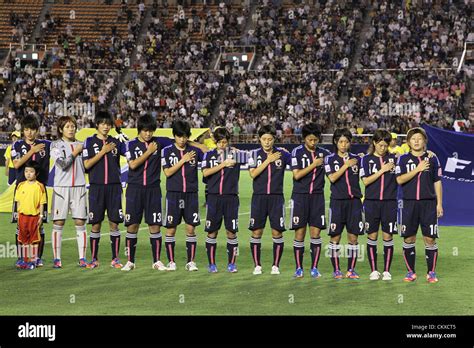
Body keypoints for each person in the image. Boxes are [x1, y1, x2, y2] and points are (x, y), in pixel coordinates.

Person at [120, 114, 169, 272]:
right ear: (139, 130)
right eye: (145, 131)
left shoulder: (159, 142)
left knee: (155, 225)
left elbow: (180, 140)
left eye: (150, 131)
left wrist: (200, 146)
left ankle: (157, 261)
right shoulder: (130, 145)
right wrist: (148, 152)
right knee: (132, 225)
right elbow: (133, 165)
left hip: (153, 190)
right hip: (135, 189)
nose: (148, 134)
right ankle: (130, 261)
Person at [396, 127, 443, 283]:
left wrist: (439, 204)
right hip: (408, 204)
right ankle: (411, 272)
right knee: (409, 238)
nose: (416, 141)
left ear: (424, 141)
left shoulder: (433, 158)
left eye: (419, 138)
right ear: (408, 142)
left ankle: (431, 273)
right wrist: (418, 168)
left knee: (430, 239)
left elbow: (437, 182)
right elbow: (400, 180)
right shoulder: (402, 159)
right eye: (413, 139)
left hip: (428, 204)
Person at [162, 120, 207, 271]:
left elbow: (206, 150)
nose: (182, 139)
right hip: (173, 194)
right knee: (171, 229)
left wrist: (193, 143)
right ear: (174, 136)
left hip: (191, 194)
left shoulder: (194, 151)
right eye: (179, 136)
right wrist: (183, 160)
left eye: (185, 136)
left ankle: (191, 262)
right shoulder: (167, 151)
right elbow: (167, 172)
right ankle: (171, 262)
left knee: (190, 229)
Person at [83, 111, 126, 269]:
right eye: (102, 124)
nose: (106, 127)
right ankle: (94, 259)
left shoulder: (116, 142)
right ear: (97, 125)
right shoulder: (89, 142)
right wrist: (103, 151)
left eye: (108, 124)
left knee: (114, 223)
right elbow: (86, 165)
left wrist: (125, 139)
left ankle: (115, 259)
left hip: (114, 187)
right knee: (96, 224)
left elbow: (130, 155)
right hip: (96, 188)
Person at [247, 125, 291, 275]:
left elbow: (297, 163)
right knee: (256, 232)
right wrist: (268, 160)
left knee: (277, 232)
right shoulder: (253, 154)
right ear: (259, 139)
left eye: (270, 139)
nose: (267, 142)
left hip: (276, 198)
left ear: (274, 139)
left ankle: (275, 266)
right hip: (258, 198)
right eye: (264, 139)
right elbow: (253, 174)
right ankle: (257, 265)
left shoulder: (283, 154)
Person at [201, 127, 246, 273]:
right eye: (219, 142)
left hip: (231, 198)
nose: (222, 145)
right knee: (212, 231)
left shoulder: (236, 154)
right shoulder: (209, 155)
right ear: (215, 141)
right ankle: (212, 264)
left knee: (231, 232)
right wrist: (223, 164)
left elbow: (254, 158)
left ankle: (232, 264)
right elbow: (206, 173)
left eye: (225, 142)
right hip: (213, 198)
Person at [289, 123, 330, 278]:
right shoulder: (297, 152)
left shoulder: (325, 153)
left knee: (316, 234)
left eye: (315, 140)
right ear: (304, 138)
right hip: (300, 196)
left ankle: (314, 268)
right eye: (310, 139)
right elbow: (297, 175)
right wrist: (314, 165)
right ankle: (299, 268)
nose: (313, 142)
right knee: (299, 233)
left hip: (318, 198)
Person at [324, 128, 364, 279]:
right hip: (337, 202)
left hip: (354, 202)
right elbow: (332, 178)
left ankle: (351, 270)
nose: (343, 144)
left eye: (346, 142)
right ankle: (336, 270)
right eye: (341, 141)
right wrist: (346, 165)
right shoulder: (330, 159)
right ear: (335, 142)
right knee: (335, 237)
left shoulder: (357, 159)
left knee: (353, 238)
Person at [11, 115, 51, 268]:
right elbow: (16, 164)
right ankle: (21, 258)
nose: (29, 133)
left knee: (39, 225)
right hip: (22, 192)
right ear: (23, 131)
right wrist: (32, 150)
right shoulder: (17, 145)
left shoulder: (46, 145)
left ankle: (37, 258)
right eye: (26, 130)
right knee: (20, 226)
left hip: (39, 192)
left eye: (32, 129)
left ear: (37, 130)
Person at [50, 116, 88, 269]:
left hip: (79, 187)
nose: (71, 129)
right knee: (59, 222)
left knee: (80, 222)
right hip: (61, 188)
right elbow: (63, 164)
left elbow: (86, 166)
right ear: (60, 129)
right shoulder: (55, 145)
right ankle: (57, 259)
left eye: (73, 126)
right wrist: (75, 153)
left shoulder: (81, 145)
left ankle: (82, 258)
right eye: (67, 126)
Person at [360, 129, 397, 281]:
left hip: (389, 202)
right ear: (374, 143)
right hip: (371, 202)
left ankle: (387, 270)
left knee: (388, 236)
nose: (383, 148)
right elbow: (366, 181)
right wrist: (383, 170)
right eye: (380, 145)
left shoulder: (395, 159)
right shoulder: (366, 159)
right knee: (372, 236)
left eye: (385, 145)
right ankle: (374, 270)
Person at [14, 160, 46, 270]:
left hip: (34, 217)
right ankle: (25, 260)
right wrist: (18, 215)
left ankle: (33, 260)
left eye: (31, 171)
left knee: (34, 240)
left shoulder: (40, 186)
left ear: (36, 173)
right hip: (22, 217)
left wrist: (41, 216)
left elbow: (42, 203)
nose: (28, 173)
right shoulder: (20, 185)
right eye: (26, 171)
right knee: (23, 239)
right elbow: (17, 201)